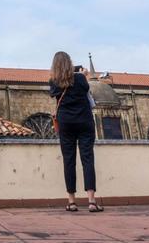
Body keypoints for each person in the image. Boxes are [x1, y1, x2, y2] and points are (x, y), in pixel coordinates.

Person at [49, 51, 102, 212]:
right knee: (87, 159)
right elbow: (86, 88)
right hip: (84, 121)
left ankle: (71, 201)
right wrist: (83, 74)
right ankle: (91, 201)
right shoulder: (79, 78)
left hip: (66, 123)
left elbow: (54, 94)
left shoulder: (54, 81)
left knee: (69, 160)